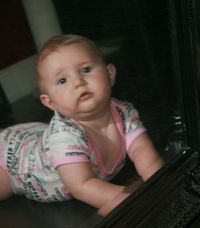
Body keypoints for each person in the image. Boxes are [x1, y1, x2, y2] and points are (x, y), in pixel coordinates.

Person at [0, 34, 164, 216]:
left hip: (36, 136)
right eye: (62, 80)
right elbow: (81, 185)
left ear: (110, 74)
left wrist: (159, 182)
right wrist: (125, 197)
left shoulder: (124, 112)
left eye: (86, 69)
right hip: (13, 162)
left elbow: (143, 152)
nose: (78, 82)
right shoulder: (64, 137)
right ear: (50, 102)